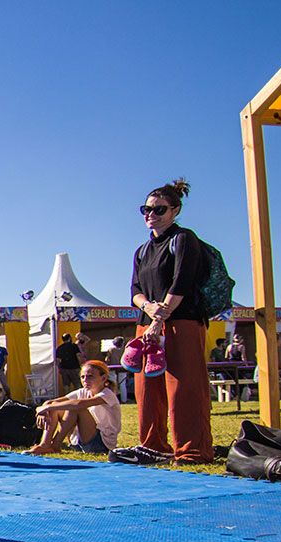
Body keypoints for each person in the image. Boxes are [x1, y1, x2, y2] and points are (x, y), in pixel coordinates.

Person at [111, 178, 214, 466]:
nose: (151, 215)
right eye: (146, 209)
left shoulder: (183, 239)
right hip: (147, 322)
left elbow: (182, 281)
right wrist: (149, 308)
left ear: (175, 211)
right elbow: (134, 290)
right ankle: (153, 445)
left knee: (184, 388)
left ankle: (193, 449)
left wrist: (161, 316)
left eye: (159, 210)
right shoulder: (141, 251)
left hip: (181, 320)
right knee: (147, 388)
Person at [27, 360, 121, 455]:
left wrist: (47, 407)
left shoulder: (107, 394)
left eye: (90, 376)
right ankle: (45, 445)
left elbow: (78, 404)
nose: (85, 380)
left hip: (101, 444)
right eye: (82, 377)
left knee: (74, 408)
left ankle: (55, 446)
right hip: (81, 439)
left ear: (104, 378)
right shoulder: (82, 392)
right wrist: (42, 410)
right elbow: (51, 402)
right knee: (56, 407)